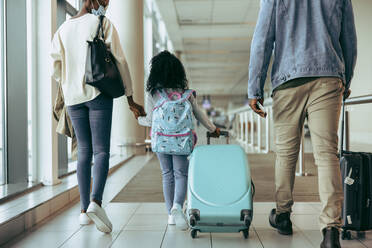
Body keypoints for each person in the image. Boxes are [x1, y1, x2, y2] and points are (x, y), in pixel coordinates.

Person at [247, 1, 357, 247]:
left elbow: (263, 38)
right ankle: (331, 230)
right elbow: (349, 38)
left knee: (286, 154)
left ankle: (283, 215)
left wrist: (254, 88)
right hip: (328, 76)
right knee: (327, 153)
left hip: (287, 80)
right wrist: (345, 78)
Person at [51, 0, 145, 233]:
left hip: (73, 98)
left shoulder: (62, 29)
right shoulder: (101, 23)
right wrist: (130, 96)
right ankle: (96, 202)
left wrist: (68, 82)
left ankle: (84, 211)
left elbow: (55, 67)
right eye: (103, 0)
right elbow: (121, 61)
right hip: (98, 93)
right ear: (91, 0)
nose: (106, 5)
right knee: (101, 150)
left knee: (84, 149)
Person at [138, 51, 220, 230]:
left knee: (167, 174)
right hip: (181, 141)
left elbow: (150, 120)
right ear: (178, 71)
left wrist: (139, 119)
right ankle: (177, 205)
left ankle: (170, 215)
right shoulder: (186, 94)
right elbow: (200, 115)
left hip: (160, 141)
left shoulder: (153, 93)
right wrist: (214, 129)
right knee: (181, 174)